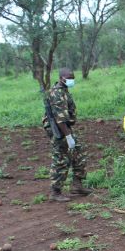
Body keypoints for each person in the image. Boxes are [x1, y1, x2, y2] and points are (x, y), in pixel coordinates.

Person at [44, 68, 91, 202]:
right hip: (60, 130)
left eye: (73, 77)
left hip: (65, 128)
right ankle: (55, 191)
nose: (72, 80)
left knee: (78, 154)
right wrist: (68, 137)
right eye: (70, 78)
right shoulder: (57, 93)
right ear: (62, 78)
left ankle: (77, 185)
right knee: (61, 159)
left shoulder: (63, 90)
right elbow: (60, 119)